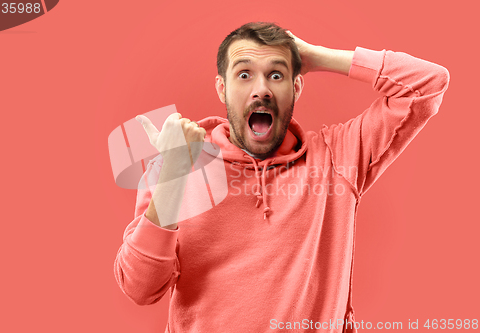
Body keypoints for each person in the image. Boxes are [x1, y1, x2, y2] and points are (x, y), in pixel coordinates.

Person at [114, 22, 449, 332]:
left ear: (296, 86)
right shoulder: (175, 163)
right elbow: (140, 288)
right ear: (222, 88)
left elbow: (428, 83)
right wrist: (174, 177)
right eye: (244, 75)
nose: (261, 90)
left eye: (276, 75)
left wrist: (316, 56)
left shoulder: (338, 158)